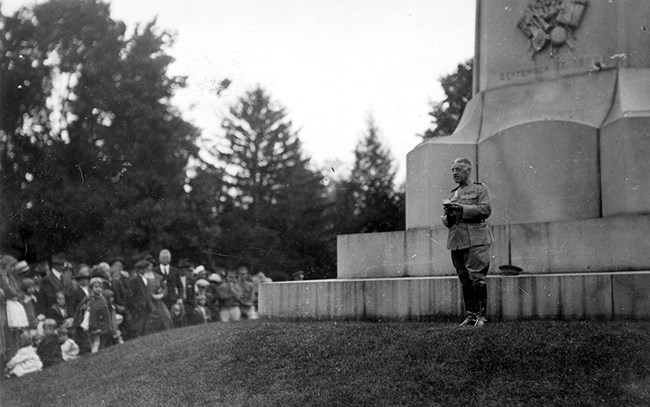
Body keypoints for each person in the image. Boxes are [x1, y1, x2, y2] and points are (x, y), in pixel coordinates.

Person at [441, 157, 494, 327]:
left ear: (468, 170)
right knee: (464, 278)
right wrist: (447, 217)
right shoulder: (453, 193)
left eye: (458, 169)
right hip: (456, 240)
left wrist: (462, 209)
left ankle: (481, 316)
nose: (455, 173)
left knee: (477, 277)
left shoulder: (480, 188)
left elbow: (485, 210)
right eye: (453, 170)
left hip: (475, 239)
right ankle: (471, 315)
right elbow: (447, 221)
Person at [126, 260, 155, 338]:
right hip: (138, 307)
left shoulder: (145, 279)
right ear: (138, 270)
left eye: (144, 268)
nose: (143, 270)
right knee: (138, 326)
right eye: (141, 269)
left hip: (146, 305)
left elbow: (147, 293)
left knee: (146, 325)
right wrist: (135, 305)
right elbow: (130, 296)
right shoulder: (134, 281)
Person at [144, 261, 173, 333]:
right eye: (147, 265)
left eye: (150, 265)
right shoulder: (142, 277)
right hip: (148, 301)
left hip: (158, 301)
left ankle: (169, 332)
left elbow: (165, 288)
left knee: (166, 316)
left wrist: (161, 295)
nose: (149, 267)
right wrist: (151, 295)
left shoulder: (158, 276)